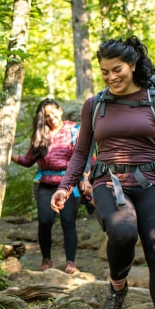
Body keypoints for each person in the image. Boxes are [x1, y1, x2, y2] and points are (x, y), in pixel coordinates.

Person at [50, 37, 155, 309]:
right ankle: (117, 287)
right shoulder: (95, 104)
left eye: (117, 70)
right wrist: (65, 186)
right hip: (109, 182)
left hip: (153, 182)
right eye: (104, 71)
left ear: (133, 65)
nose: (111, 77)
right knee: (124, 232)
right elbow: (81, 151)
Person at [11, 99, 92, 274]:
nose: (51, 118)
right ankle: (46, 259)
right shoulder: (40, 134)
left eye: (53, 113)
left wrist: (86, 179)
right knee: (45, 222)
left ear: (60, 110)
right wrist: (7, 153)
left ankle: (71, 262)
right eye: (47, 115)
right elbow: (27, 161)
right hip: (45, 186)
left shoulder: (74, 131)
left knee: (68, 222)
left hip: (69, 185)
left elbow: (85, 157)